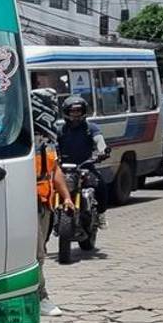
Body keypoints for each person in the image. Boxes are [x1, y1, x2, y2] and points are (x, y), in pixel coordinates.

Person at [32, 88, 75, 317]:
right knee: (36, 254)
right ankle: (41, 297)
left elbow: (54, 169)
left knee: (40, 253)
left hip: (44, 204)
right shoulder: (24, 137)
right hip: (27, 205)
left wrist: (66, 197)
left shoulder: (48, 139)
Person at [56, 94, 109, 226]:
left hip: (86, 166)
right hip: (64, 169)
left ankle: (101, 214)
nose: (76, 114)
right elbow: (51, 144)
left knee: (100, 185)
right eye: (72, 111)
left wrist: (102, 151)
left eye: (78, 111)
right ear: (66, 112)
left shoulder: (90, 128)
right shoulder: (60, 130)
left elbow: (99, 140)